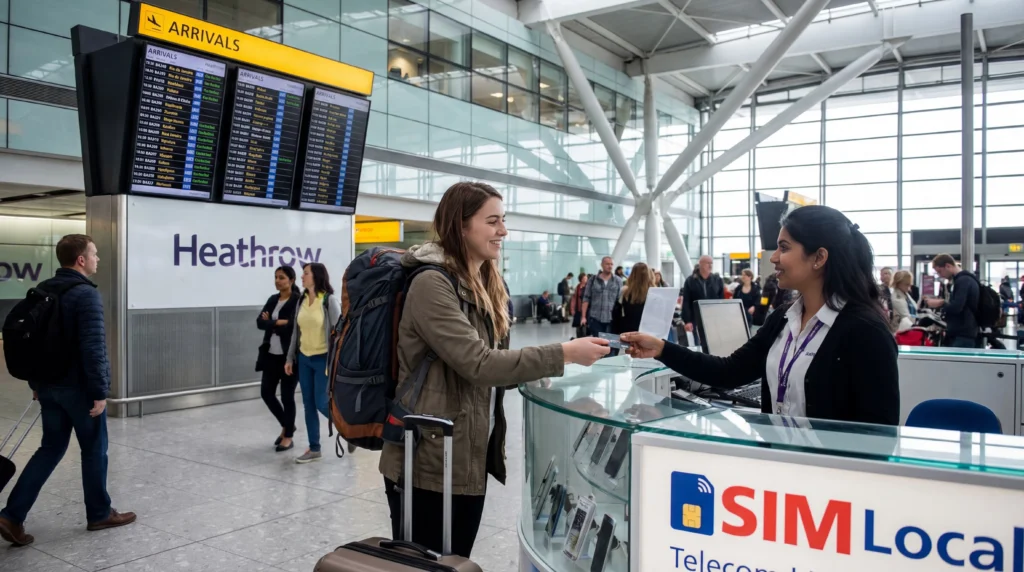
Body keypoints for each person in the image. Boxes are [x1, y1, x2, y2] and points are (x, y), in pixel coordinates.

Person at [378, 182, 611, 557]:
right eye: (492, 221)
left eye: (503, 220)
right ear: (461, 226)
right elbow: (479, 364)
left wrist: (540, 371)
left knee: (457, 560)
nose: (503, 230)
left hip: (466, 454)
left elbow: (491, 360)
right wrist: (564, 352)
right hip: (426, 461)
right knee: (427, 564)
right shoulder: (431, 285)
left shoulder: (485, 282)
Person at [622, 205, 900, 425]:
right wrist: (661, 348)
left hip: (830, 485)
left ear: (819, 257)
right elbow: (729, 371)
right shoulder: (783, 318)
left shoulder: (865, 331)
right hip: (777, 473)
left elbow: (879, 430)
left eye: (784, 247)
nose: (774, 258)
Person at [0, 235, 136, 546]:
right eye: (95, 254)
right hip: (78, 389)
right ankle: (100, 513)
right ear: (81, 260)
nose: (98, 259)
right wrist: (101, 391)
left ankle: (12, 515)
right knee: (93, 450)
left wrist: (36, 384)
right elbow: (93, 347)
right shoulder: (84, 294)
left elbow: (32, 342)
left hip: (48, 387)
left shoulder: (45, 289)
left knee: (49, 449)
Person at [285, 262, 343, 463]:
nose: (302, 277)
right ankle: (314, 448)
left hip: (323, 360)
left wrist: (337, 360)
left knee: (320, 402)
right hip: (304, 359)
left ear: (316, 276)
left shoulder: (329, 301)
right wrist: (290, 358)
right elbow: (295, 332)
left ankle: (349, 430)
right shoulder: (301, 299)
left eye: (305, 273)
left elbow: (340, 333)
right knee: (308, 404)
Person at [257, 266, 301, 452]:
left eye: (282, 278)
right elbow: (260, 322)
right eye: (276, 277)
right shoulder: (273, 299)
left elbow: (294, 326)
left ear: (291, 280)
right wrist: (277, 322)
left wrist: (272, 323)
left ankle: (288, 436)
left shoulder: (298, 301)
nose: (277, 281)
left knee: (287, 396)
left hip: (289, 356)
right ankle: (287, 424)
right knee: (266, 393)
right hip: (270, 355)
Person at [927, 254, 980, 348]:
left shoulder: (963, 281)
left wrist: (941, 303)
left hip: (963, 333)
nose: (940, 275)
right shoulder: (965, 279)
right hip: (964, 331)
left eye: (940, 271)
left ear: (948, 266)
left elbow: (957, 307)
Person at [680, 255, 725, 345]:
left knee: (713, 342)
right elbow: (686, 302)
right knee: (697, 343)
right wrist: (687, 321)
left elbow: (721, 300)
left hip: (712, 317)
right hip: (695, 317)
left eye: (711, 263)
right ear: (700, 264)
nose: (710, 265)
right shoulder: (690, 281)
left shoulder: (717, 280)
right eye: (708, 263)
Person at [581, 257, 623, 337]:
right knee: (598, 345)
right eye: (607, 264)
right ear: (602, 265)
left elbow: (620, 300)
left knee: (611, 346)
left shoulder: (618, 281)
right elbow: (586, 298)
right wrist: (583, 317)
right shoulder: (593, 280)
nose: (610, 266)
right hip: (595, 318)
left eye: (611, 264)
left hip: (612, 319)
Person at [611, 262, 654, 335]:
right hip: (647, 333)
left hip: (627, 332)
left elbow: (616, 313)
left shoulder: (625, 291)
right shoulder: (654, 293)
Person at [571, 273, 589, 338]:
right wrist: (572, 309)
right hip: (578, 309)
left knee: (584, 326)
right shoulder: (577, 287)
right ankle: (578, 338)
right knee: (578, 326)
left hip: (586, 309)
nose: (586, 279)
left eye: (586, 278)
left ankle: (584, 338)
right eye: (584, 278)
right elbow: (574, 299)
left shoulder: (588, 287)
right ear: (581, 279)